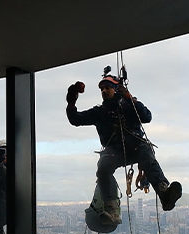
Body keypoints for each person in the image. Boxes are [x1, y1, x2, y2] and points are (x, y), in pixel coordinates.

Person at [66, 75, 182, 225]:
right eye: (102, 89)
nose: (104, 91)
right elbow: (75, 119)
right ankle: (112, 210)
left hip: (134, 147)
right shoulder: (100, 112)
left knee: (145, 153)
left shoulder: (128, 106)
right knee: (103, 168)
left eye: (107, 87)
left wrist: (130, 99)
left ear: (115, 89)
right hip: (116, 151)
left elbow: (147, 117)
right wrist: (71, 101)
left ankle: (164, 194)